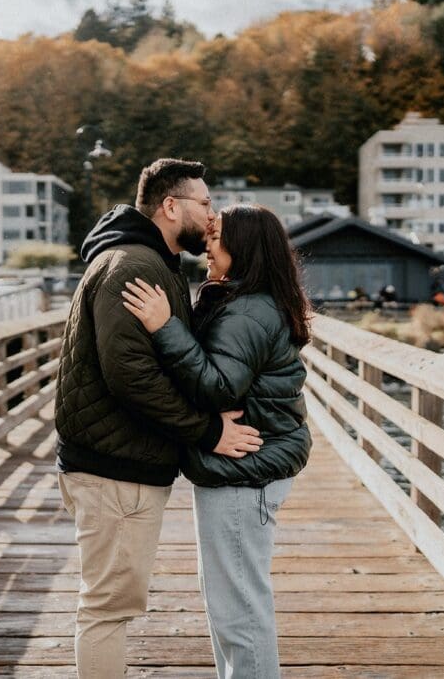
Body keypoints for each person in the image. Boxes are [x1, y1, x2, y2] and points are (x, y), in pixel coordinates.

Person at [55, 158, 263, 679]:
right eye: (205, 203)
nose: (212, 215)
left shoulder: (154, 262)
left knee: (109, 604)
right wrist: (209, 431)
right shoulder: (135, 266)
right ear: (171, 207)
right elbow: (131, 377)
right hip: (114, 470)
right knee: (107, 609)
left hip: (119, 464)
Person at [122, 204, 313, 679]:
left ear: (243, 247)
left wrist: (164, 327)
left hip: (244, 475)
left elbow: (218, 386)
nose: (208, 242)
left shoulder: (248, 310)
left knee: (239, 612)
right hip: (243, 472)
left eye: (218, 235)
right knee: (231, 605)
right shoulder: (245, 300)